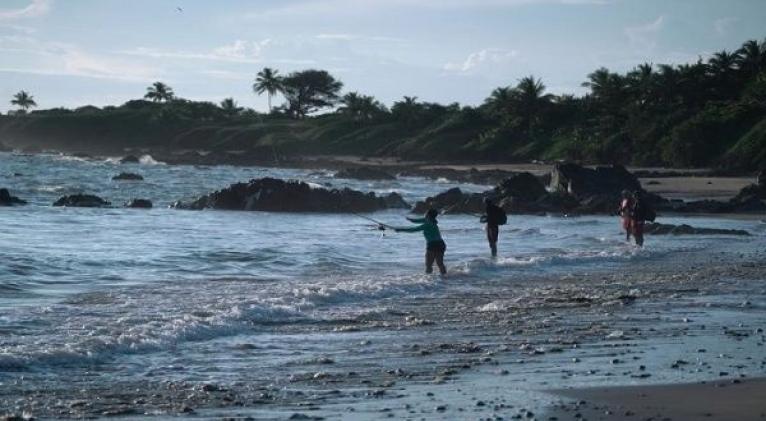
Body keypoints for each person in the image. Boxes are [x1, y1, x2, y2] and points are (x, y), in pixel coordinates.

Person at [387, 209, 447, 275]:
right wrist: (410, 219)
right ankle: (444, 277)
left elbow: (413, 229)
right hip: (441, 244)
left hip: (432, 244)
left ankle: (429, 281)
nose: (424, 214)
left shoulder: (427, 224)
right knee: (440, 263)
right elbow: (418, 220)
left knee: (428, 265)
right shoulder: (432, 221)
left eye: (426, 214)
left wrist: (400, 229)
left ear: (428, 216)